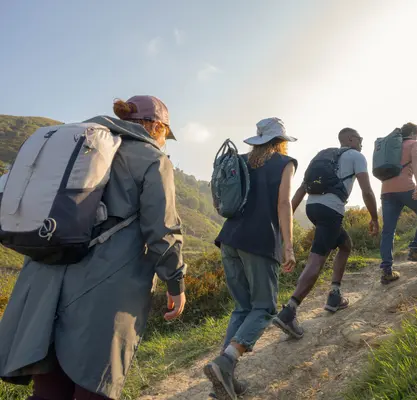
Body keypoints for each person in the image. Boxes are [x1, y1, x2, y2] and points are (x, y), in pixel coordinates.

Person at [0, 96, 186, 400]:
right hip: (103, 288)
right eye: (165, 133)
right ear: (156, 126)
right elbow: (162, 229)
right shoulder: (152, 159)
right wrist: (175, 282)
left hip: (45, 275)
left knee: (49, 386)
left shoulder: (79, 145)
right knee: (94, 382)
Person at [204, 117, 297, 400]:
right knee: (265, 308)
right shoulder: (285, 163)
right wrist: (288, 246)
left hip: (229, 238)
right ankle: (227, 360)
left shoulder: (240, 161)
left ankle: (225, 377)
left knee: (243, 308)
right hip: (259, 241)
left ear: (257, 140)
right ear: (280, 140)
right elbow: (283, 204)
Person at [272, 127, 379, 339]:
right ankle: (289, 311)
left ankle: (334, 295)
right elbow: (367, 190)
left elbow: (302, 189)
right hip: (331, 210)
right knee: (316, 260)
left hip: (313, 208)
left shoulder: (325, 156)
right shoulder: (356, 156)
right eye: (359, 138)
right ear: (350, 139)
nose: (362, 142)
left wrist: (285, 221)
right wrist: (374, 218)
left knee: (345, 244)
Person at [379, 122, 417, 284]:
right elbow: (416, 161)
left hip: (386, 189)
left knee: (388, 230)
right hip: (405, 187)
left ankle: (387, 270)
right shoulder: (414, 143)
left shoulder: (391, 147)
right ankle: (415, 249)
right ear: (413, 133)